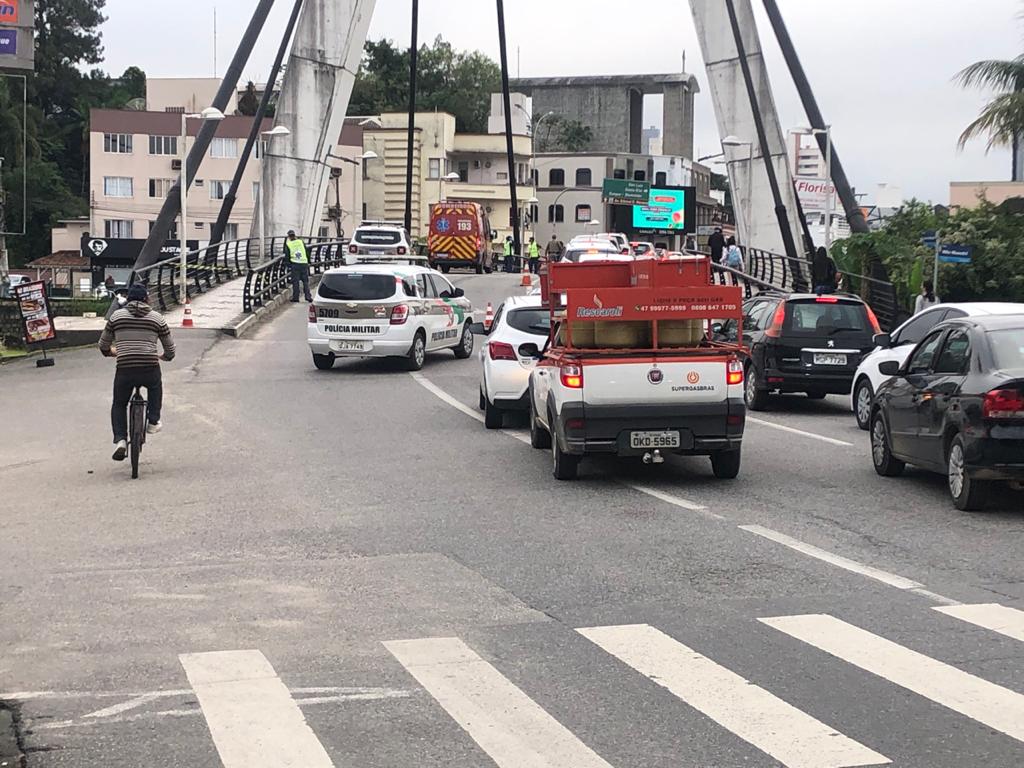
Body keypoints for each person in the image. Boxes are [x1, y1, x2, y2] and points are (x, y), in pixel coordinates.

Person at [99, 283, 175, 462]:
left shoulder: (117, 317)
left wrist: (110, 352)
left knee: (119, 403)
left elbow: (103, 344)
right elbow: (170, 347)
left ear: (128, 299)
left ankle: (120, 440)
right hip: (149, 366)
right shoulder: (157, 318)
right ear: (147, 299)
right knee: (155, 386)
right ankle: (153, 421)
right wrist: (165, 356)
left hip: (125, 367)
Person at [283, 230, 312, 303]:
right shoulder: (300, 242)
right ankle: (308, 297)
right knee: (305, 281)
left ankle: (296, 297)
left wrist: (288, 264)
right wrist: (308, 261)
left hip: (295, 264)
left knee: (295, 282)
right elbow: (306, 251)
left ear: (289, 237)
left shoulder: (288, 244)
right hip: (304, 263)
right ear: (295, 235)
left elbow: (287, 256)